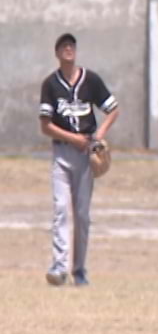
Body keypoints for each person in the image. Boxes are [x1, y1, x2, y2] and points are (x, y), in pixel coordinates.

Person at [39, 32, 119, 287]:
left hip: (86, 156)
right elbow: (45, 125)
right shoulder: (50, 84)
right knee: (61, 210)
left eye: (71, 45)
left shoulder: (90, 80)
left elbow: (112, 109)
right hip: (62, 153)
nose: (68, 49)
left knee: (82, 215)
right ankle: (59, 267)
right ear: (57, 53)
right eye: (63, 46)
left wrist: (98, 136)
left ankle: (80, 270)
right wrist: (72, 139)